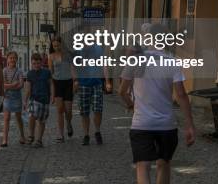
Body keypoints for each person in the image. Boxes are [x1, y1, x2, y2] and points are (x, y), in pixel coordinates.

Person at [119, 23, 196, 184]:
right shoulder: (172, 61)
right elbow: (181, 95)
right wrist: (189, 125)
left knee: (142, 166)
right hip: (166, 124)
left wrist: (132, 106)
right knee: (164, 164)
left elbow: (122, 92)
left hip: (141, 123)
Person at [73, 32, 110, 145]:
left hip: (96, 83)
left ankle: (97, 131)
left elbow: (104, 64)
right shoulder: (78, 50)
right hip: (83, 84)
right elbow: (74, 66)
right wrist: (75, 80)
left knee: (98, 109)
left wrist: (107, 81)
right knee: (84, 111)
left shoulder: (98, 49)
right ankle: (86, 135)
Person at [23, 53, 53, 148]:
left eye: (38, 63)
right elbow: (28, 88)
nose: (36, 65)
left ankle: (39, 140)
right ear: (32, 63)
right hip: (34, 98)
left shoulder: (47, 72)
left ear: (41, 63)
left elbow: (51, 84)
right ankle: (31, 135)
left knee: (41, 120)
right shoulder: (30, 74)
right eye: (34, 63)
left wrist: (52, 95)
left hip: (44, 99)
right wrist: (25, 100)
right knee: (32, 116)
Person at [48, 36, 74, 142]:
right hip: (57, 83)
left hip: (68, 82)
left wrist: (75, 81)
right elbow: (51, 73)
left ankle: (68, 123)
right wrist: (52, 93)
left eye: (58, 45)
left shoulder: (68, 55)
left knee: (68, 109)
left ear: (61, 44)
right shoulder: (51, 56)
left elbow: (73, 68)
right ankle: (60, 133)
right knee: (59, 110)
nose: (56, 47)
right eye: (54, 46)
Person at [2, 52, 26, 147]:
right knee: (6, 118)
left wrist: (9, 86)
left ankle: (22, 136)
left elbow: (21, 85)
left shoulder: (19, 71)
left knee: (18, 118)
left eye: (14, 58)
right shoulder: (4, 71)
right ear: (7, 59)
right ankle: (5, 140)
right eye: (10, 58)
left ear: (16, 59)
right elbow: (2, 84)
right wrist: (13, 85)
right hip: (7, 97)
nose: (12, 60)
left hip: (16, 97)